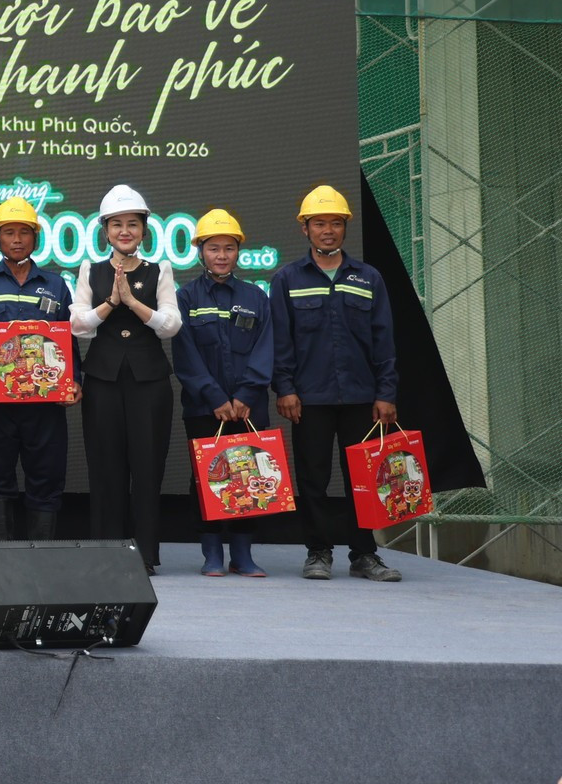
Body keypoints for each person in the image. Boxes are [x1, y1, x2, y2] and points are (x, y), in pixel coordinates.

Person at [270, 184, 403, 583]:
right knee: (313, 478)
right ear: (305, 229)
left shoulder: (368, 278)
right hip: (309, 398)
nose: (328, 231)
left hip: (362, 397)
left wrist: (386, 393)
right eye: (319, 223)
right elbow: (280, 341)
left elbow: (384, 340)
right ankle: (318, 552)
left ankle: (364, 555)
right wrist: (285, 388)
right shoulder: (287, 279)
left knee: (364, 480)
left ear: (345, 227)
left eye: (336, 223)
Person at [70, 184, 182, 573]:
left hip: (149, 381)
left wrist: (133, 303)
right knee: (105, 465)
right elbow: (78, 326)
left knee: (148, 465)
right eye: (116, 224)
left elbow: (171, 324)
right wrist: (111, 303)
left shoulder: (159, 270)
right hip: (102, 379)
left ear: (144, 230)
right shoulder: (91, 269)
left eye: (132, 224)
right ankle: (106, 550)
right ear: (105, 230)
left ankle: (145, 554)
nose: (125, 231)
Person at [0, 197, 82, 541]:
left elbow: (68, 340)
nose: (17, 239)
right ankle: (2, 556)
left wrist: (74, 379)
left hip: (45, 402)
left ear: (36, 238)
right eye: (9, 232)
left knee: (47, 476)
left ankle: (40, 556)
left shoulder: (57, 285)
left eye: (25, 232)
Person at [171, 208, 274, 578]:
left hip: (250, 407)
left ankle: (243, 555)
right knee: (207, 477)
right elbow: (185, 355)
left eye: (229, 248)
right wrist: (214, 397)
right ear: (200, 251)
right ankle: (212, 554)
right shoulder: (185, 297)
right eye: (213, 248)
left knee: (250, 474)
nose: (221, 255)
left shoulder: (256, 296)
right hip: (204, 408)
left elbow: (266, 348)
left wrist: (246, 394)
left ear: (238, 251)